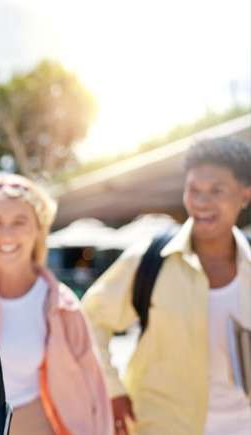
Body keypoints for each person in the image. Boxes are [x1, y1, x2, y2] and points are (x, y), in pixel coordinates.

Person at [82, 137, 251, 435]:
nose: (201, 202)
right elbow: (88, 319)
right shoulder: (149, 260)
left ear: (245, 195)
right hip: (161, 426)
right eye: (193, 190)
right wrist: (112, 388)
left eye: (216, 191)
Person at [0, 173, 113, 435]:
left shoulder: (62, 305)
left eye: (19, 222)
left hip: (35, 425)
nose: (7, 234)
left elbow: (94, 389)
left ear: (38, 228)